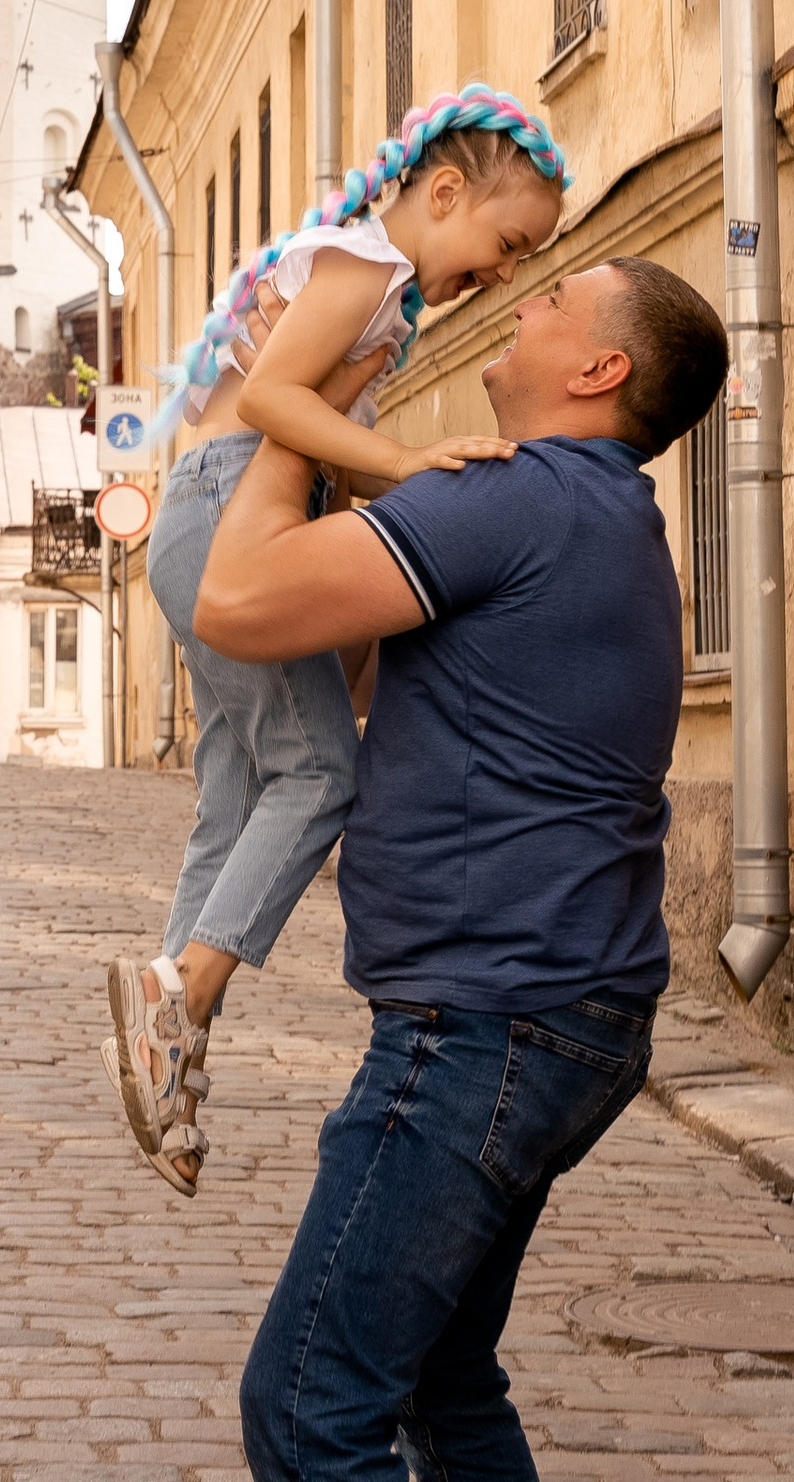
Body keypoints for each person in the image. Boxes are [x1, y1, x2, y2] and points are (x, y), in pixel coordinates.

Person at [145, 254, 729, 1482]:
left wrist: (285, 391)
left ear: (599, 367)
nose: (525, 303)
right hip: (561, 1014)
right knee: (440, 1383)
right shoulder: (584, 508)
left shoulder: (524, 502)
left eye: (559, 296)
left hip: (481, 1027)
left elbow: (237, 606)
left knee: (310, 1401)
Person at [103, 89, 566, 1200]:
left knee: (239, 788)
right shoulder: (364, 265)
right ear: (443, 193)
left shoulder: (375, 283)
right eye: (506, 245)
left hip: (215, 513)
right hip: (228, 510)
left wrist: (379, 472)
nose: (502, 274)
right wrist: (405, 466)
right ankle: (178, 1003)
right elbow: (269, 399)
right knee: (320, 771)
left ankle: (166, 1050)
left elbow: (300, 417)